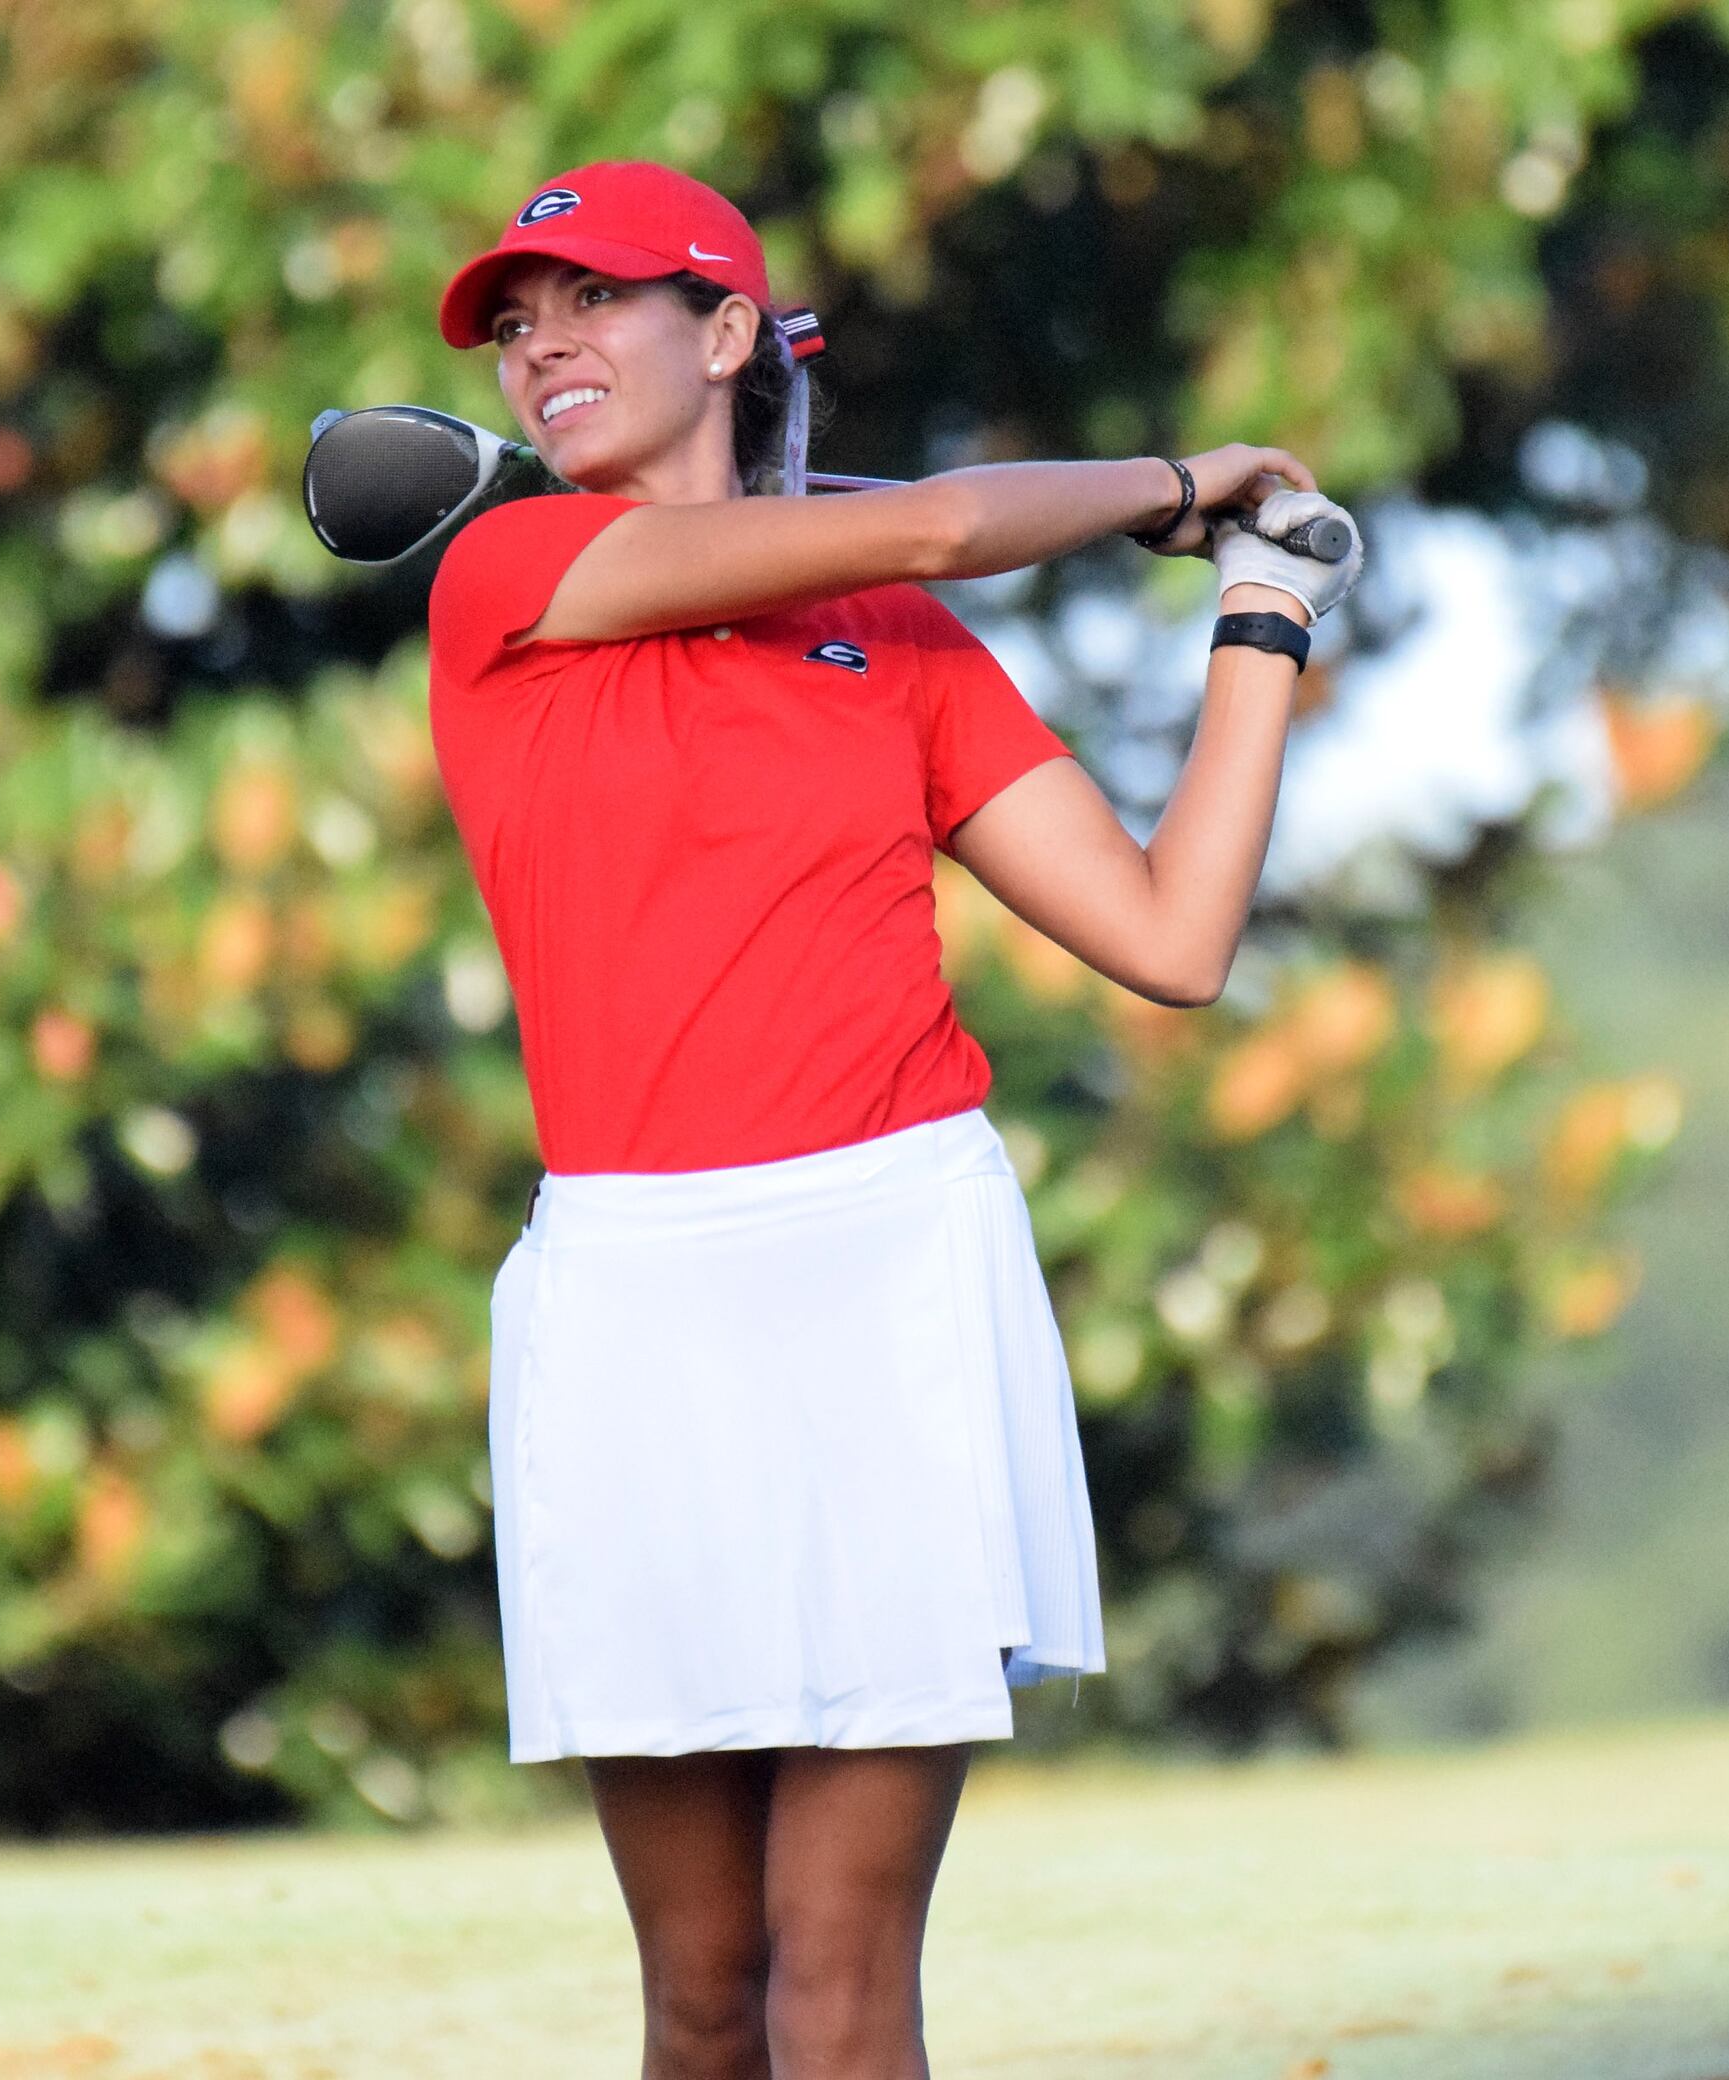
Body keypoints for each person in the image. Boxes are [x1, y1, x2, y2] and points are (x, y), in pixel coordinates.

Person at [425, 161, 1362, 2080]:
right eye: (519, 327)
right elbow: (938, 521)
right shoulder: (503, 578)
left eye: (594, 301)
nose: (545, 351)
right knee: (700, 2005)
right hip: (629, 1298)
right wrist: (1190, 485)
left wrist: (1261, 616)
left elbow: (1173, 941)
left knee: (840, 1990)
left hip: (889, 1269)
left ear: (730, 332)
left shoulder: (895, 652)